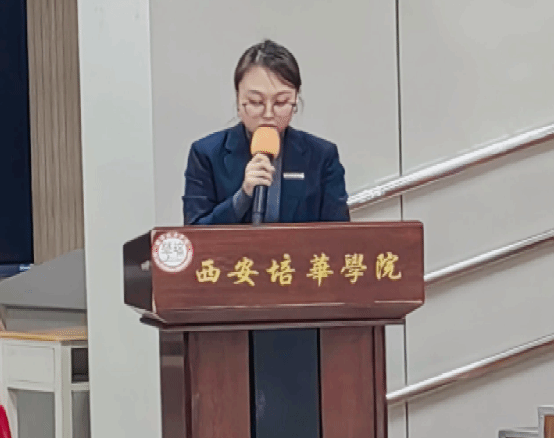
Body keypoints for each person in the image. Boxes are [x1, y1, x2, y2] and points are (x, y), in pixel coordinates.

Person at [182, 39, 350, 438]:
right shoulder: (207, 154)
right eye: (255, 102)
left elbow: (339, 240)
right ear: (238, 99)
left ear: (296, 100)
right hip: (226, 319)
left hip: (300, 319)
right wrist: (241, 197)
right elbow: (195, 238)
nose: (269, 114)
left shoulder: (321, 156)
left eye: (282, 102)